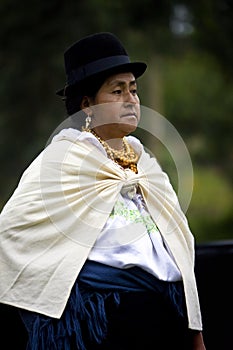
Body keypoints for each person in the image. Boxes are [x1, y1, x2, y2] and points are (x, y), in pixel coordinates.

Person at [0, 32, 206, 349]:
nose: (131, 99)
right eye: (117, 90)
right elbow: (13, 227)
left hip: (162, 319)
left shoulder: (145, 164)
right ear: (87, 106)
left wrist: (193, 329)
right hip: (100, 323)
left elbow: (179, 240)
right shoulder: (64, 160)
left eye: (134, 90)